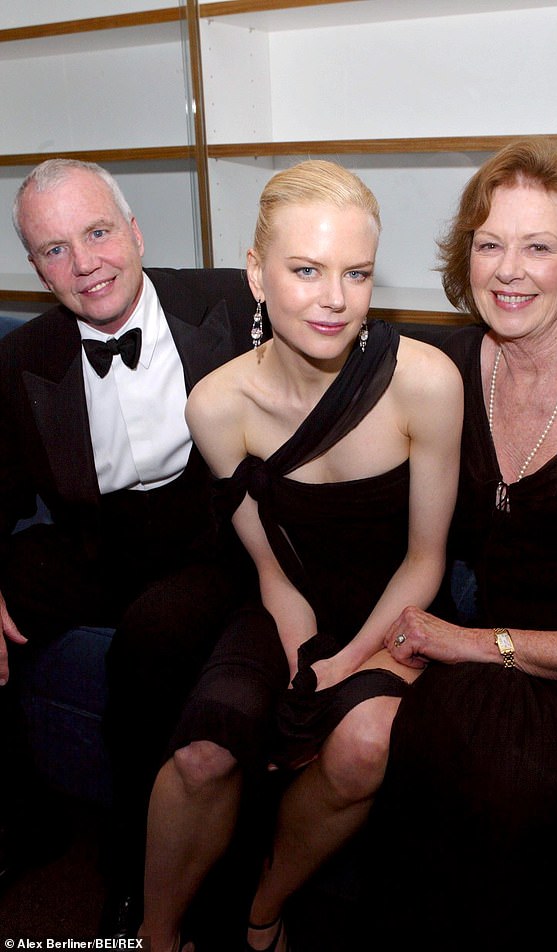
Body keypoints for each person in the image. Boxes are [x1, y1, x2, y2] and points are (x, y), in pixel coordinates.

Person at [137, 159, 463, 951]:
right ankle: (156, 935)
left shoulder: (425, 381)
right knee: (204, 753)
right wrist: (296, 641)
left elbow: (426, 560)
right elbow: (270, 566)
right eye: (306, 270)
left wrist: (346, 664)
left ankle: (263, 907)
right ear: (257, 273)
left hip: (400, 604)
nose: (334, 299)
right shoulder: (215, 405)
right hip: (292, 598)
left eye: (356, 273)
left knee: (362, 744)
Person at [369, 136, 557, 949]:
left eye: (538, 246)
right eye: (490, 243)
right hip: (467, 652)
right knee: (417, 747)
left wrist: (474, 643)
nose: (508, 269)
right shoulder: (445, 366)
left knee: (515, 783)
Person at [1, 159, 257, 934]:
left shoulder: (235, 304)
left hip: (210, 541)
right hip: (94, 540)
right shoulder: (20, 360)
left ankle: (136, 873)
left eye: (99, 232)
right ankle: (26, 819)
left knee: (151, 642)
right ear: (37, 267)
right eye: (54, 249)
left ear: (136, 231)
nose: (84, 264)